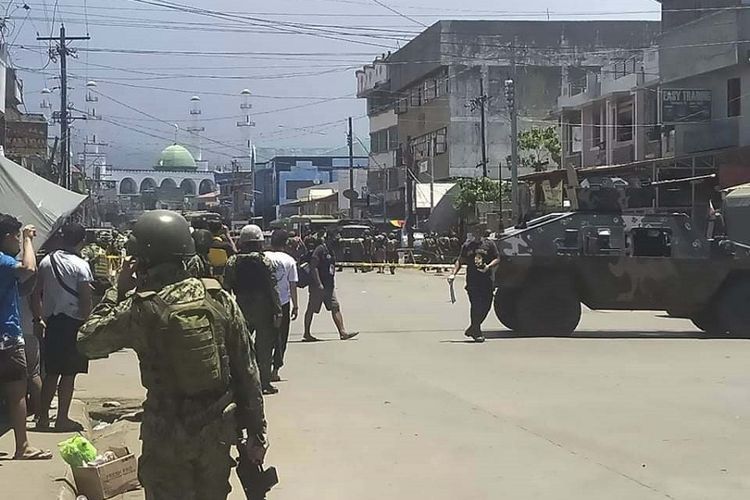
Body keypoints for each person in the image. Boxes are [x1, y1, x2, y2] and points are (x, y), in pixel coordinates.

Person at [77, 210, 268, 500]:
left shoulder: (142, 307)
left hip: (166, 435)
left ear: (145, 260)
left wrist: (117, 290)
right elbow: (247, 370)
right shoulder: (219, 298)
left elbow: (88, 341)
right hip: (216, 434)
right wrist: (257, 431)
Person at [32, 222, 93, 431]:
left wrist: (38, 318)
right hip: (73, 324)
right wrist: (88, 322)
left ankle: (43, 418)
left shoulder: (47, 261)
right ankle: (62, 419)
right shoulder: (81, 265)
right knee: (69, 374)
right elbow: (86, 299)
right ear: (82, 241)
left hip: (53, 323)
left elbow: (36, 293)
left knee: (51, 373)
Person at [0, 214, 51, 460]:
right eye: (16, 238)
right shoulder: (3, 260)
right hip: (6, 338)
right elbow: (28, 268)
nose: (18, 245)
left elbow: (21, 287)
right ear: (8, 237)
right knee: (16, 392)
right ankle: (22, 446)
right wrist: (28, 240)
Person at [223, 225, 282, 395]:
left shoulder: (233, 262)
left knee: (240, 347)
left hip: (241, 307)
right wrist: (278, 311)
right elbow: (273, 288)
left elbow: (226, 288)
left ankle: (240, 383)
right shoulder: (264, 261)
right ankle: (264, 383)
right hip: (263, 308)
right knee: (264, 348)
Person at [303, 232, 359, 342]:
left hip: (329, 286)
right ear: (328, 238)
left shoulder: (332, 250)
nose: (337, 241)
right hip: (318, 286)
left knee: (335, 307)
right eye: (335, 238)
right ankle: (307, 333)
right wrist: (318, 284)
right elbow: (314, 266)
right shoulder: (320, 249)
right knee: (312, 309)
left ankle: (342, 332)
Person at [448, 228, 500, 343]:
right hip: (473, 281)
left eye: (478, 231)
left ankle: (473, 327)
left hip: (487, 280)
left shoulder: (489, 244)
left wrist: (488, 266)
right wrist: (453, 274)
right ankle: (477, 332)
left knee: (486, 305)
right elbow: (460, 261)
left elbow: (497, 258)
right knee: (476, 305)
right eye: (474, 232)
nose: (476, 234)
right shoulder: (467, 246)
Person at [264, 230, 298, 383]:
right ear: (286, 244)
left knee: (264, 335)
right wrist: (295, 306)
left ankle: (262, 367)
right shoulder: (290, 260)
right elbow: (292, 285)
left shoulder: (264, 257)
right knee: (281, 337)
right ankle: (275, 370)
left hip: (265, 302)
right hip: (283, 303)